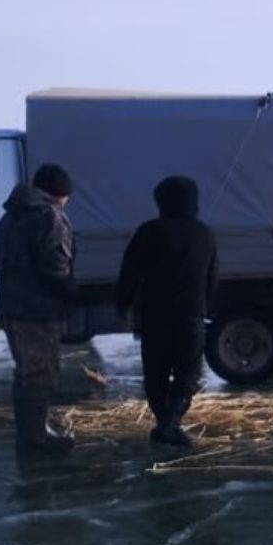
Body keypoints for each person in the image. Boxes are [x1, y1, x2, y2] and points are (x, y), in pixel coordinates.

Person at [115, 176, 219, 448]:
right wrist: (207, 306)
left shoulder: (149, 231)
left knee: (155, 372)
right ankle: (171, 424)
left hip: (154, 316)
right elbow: (212, 277)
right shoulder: (204, 234)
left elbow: (129, 271)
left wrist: (123, 303)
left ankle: (164, 424)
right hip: (191, 316)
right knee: (188, 372)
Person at [0, 164, 77, 453]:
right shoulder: (48, 216)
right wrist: (70, 294)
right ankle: (38, 438)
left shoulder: (10, 215)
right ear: (59, 193)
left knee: (25, 371)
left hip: (11, 305)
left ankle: (28, 435)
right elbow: (56, 267)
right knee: (41, 371)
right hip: (37, 309)